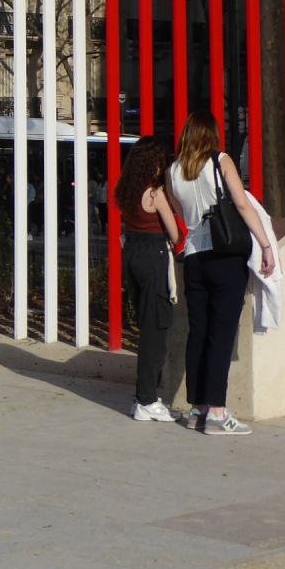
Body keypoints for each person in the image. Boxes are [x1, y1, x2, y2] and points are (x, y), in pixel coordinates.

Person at [168, 108, 275, 437]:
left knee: (198, 332)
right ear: (211, 134)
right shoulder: (221, 161)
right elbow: (241, 204)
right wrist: (266, 245)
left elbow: (178, 211)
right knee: (222, 334)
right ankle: (217, 411)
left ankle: (197, 408)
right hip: (226, 257)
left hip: (196, 258)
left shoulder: (174, 170)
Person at [115, 138, 181, 422]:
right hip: (154, 255)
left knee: (146, 326)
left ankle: (142, 398)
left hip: (132, 253)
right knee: (157, 331)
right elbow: (175, 234)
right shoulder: (155, 195)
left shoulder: (126, 192)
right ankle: (147, 400)